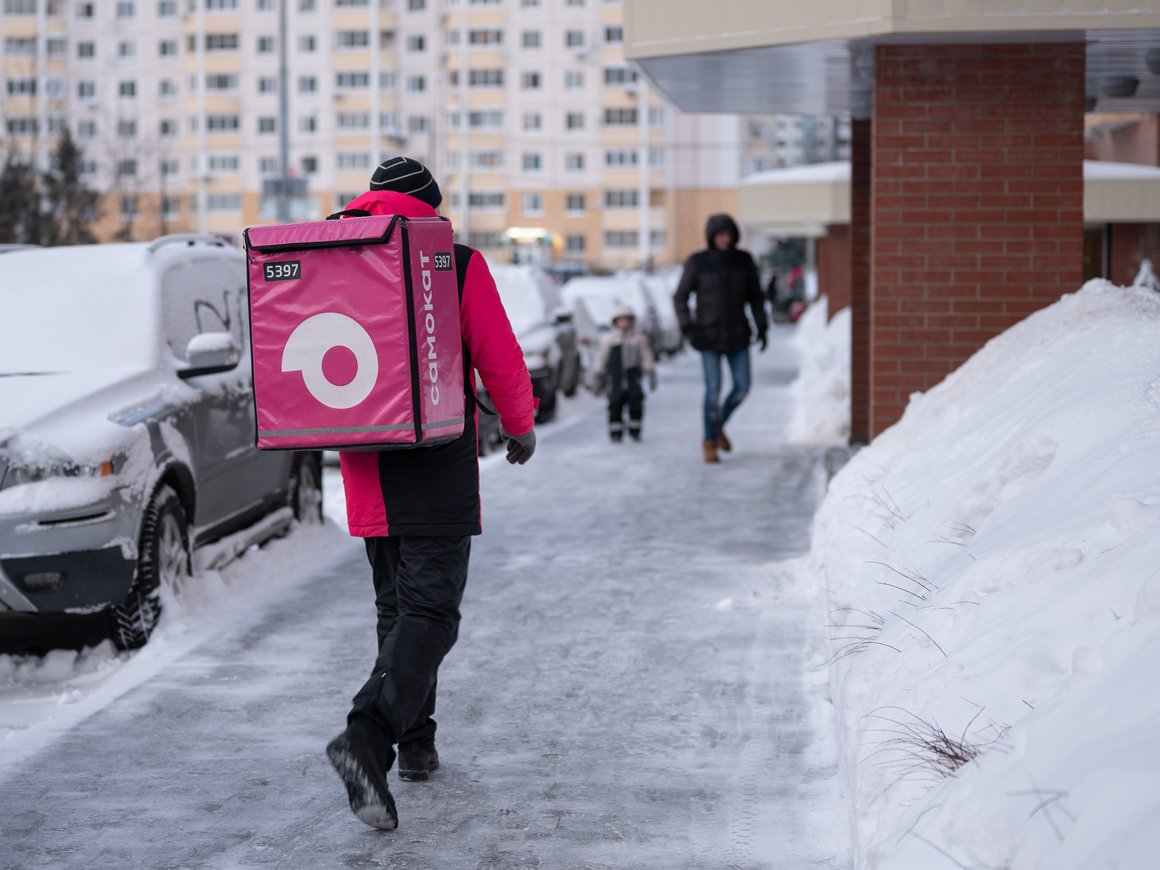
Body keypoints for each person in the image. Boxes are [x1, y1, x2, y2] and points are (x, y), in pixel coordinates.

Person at [325, 156, 537, 831]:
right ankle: (368, 736)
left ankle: (416, 742)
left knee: (398, 610)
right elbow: (497, 353)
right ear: (430, 207)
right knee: (432, 613)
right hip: (436, 458)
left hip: (366, 461)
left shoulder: (336, 256)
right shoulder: (453, 260)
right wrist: (521, 424)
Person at [674, 213, 768, 464]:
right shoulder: (698, 262)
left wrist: (762, 326)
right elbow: (680, 297)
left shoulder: (744, 261)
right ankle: (709, 442)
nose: (725, 239)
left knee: (742, 387)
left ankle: (717, 425)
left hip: (738, 334)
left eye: (729, 234)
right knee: (713, 390)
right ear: (711, 236)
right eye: (720, 235)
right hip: (708, 336)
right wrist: (688, 328)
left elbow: (756, 297)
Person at [591, 304, 656, 442]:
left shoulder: (638, 339)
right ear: (615, 322)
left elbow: (646, 356)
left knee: (636, 403)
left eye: (627, 320)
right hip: (615, 379)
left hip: (633, 379)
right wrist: (598, 374)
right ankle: (616, 431)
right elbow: (601, 357)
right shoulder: (609, 340)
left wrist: (650, 371)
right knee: (615, 405)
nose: (624, 323)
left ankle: (635, 430)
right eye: (621, 320)